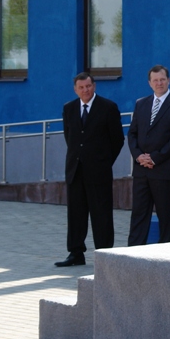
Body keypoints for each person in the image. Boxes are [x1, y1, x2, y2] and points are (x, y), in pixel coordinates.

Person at [55, 73, 125, 267]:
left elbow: (117, 139)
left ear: (94, 86)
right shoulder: (69, 108)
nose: (85, 90)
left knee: (101, 214)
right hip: (75, 170)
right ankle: (76, 253)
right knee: (75, 214)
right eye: (81, 87)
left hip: (99, 171)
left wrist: (104, 161)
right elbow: (70, 137)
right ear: (75, 90)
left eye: (88, 86)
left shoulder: (108, 107)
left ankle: (104, 255)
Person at [127, 65, 170, 246]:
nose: (159, 83)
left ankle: (163, 253)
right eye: (155, 80)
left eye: (162, 79)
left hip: (164, 170)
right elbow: (132, 134)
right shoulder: (141, 104)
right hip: (141, 170)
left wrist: (154, 158)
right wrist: (139, 156)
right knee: (139, 214)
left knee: (164, 215)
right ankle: (133, 252)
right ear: (150, 83)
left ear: (168, 80)